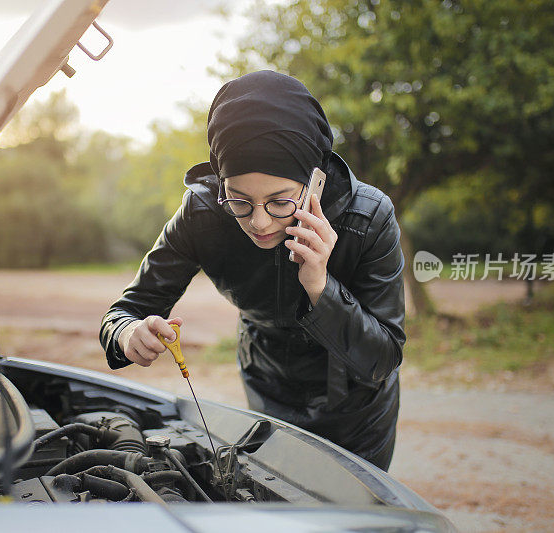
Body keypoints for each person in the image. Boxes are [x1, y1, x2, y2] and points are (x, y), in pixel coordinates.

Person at [100, 70, 405, 471]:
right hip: (265, 390)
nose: (259, 222)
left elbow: (383, 357)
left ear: (315, 180)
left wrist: (320, 287)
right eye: (240, 201)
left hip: (358, 408)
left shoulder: (368, 219)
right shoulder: (203, 213)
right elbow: (123, 313)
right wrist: (128, 334)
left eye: (279, 201)